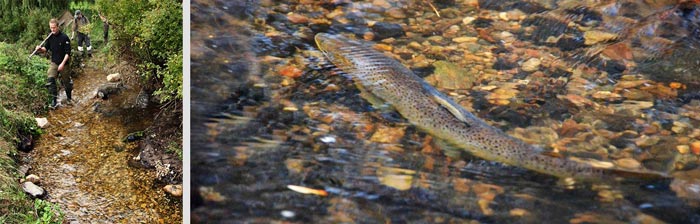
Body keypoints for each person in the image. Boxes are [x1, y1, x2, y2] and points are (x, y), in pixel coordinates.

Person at [35, 18, 72, 108]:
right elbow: (45, 49)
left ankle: (69, 98)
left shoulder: (64, 37)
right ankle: (54, 100)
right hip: (54, 62)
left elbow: (68, 53)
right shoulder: (50, 36)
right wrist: (40, 49)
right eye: (51, 28)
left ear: (58, 27)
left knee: (66, 82)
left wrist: (62, 64)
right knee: (50, 79)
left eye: (54, 28)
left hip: (64, 63)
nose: (52, 30)